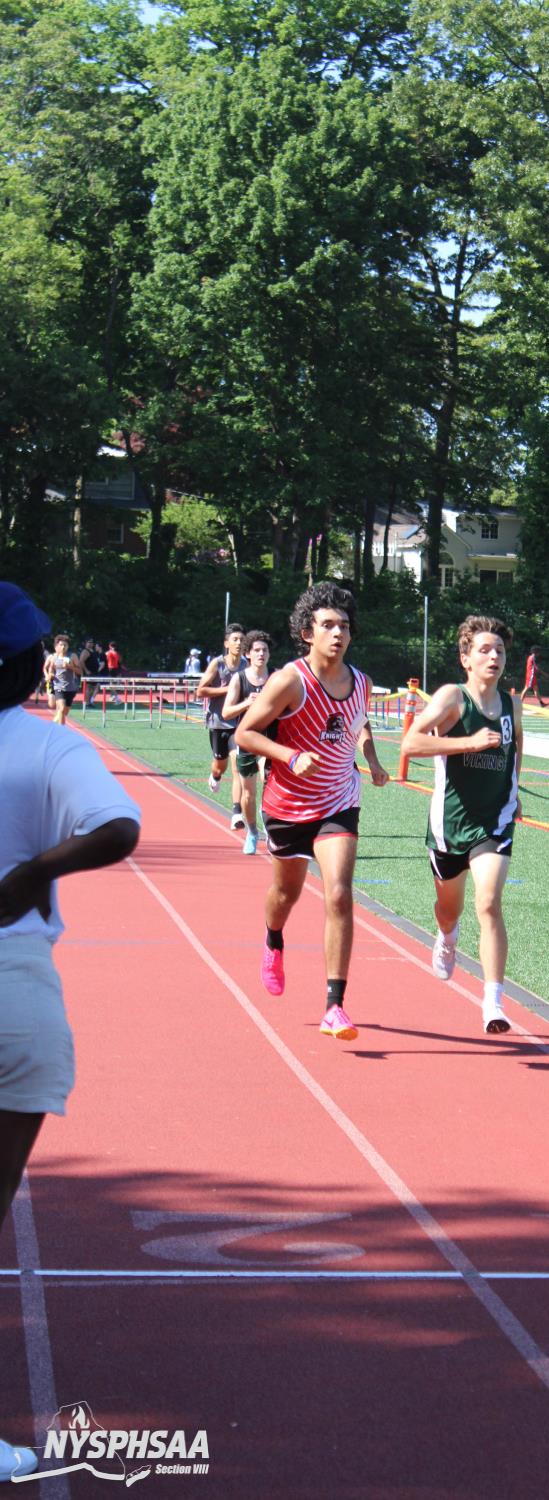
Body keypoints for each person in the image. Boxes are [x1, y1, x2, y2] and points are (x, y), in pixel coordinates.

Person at [0, 584, 140, 1483]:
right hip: (13, 985)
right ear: (26, 665)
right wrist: (31, 873)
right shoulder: (49, 744)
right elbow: (119, 828)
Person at [234, 583, 389, 1040]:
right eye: (328, 625)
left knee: (339, 892)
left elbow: (359, 722)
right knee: (286, 894)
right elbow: (245, 733)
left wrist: (373, 760)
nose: (338, 633)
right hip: (288, 805)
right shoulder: (290, 681)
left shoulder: (361, 682)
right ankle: (273, 940)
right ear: (308, 633)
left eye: (344, 626)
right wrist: (290, 756)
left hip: (339, 800)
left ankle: (334, 1006)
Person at [400, 615, 522, 1035]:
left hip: (495, 820)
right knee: (449, 909)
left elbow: (517, 745)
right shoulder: (453, 697)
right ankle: (447, 934)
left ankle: (493, 1003)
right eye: (484, 650)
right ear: (466, 658)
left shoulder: (511, 705)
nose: (493, 657)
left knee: (488, 903)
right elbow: (410, 743)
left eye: (499, 650)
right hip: (450, 822)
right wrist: (468, 742)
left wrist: (515, 788)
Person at [222, 630, 274, 855]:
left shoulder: (276, 678)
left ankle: (272, 832)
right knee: (248, 794)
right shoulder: (239, 678)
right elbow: (226, 712)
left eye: (265, 650)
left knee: (271, 788)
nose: (261, 654)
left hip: (271, 741)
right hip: (247, 740)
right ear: (248, 654)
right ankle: (252, 832)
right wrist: (246, 703)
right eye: (257, 650)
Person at [197, 624, 247, 829]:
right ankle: (215, 776)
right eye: (235, 639)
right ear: (227, 643)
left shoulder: (247, 665)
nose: (239, 643)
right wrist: (228, 689)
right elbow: (201, 691)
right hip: (218, 722)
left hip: (238, 723)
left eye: (241, 639)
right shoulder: (217, 664)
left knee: (237, 768)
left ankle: (236, 813)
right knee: (220, 765)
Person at [42, 634, 81, 726]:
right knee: (61, 708)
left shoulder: (72, 656)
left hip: (70, 688)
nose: (63, 647)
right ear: (57, 646)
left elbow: (80, 671)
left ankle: (54, 724)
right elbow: (48, 669)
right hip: (57, 686)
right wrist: (49, 675)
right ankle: (61, 730)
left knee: (63, 713)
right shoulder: (53, 657)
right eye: (61, 645)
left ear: (68, 646)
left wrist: (70, 667)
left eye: (65, 645)